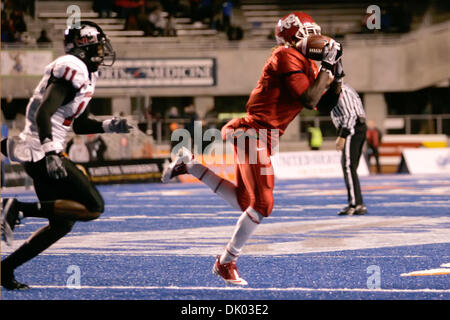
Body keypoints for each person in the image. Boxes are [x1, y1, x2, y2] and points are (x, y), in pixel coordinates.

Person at [161, 12, 342, 285]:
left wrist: (337, 75)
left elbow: (324, 105)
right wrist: (328, 68)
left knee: (247, 202)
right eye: (309, 31)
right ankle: (226, 261)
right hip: (252, 131)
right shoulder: (286, 55)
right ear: (294, 36)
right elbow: (308, 99)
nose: (318, 38)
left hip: (264, 135)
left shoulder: (309, 65)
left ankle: (191, 165)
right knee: (264, 204)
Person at [0, 21, 131, 290]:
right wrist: (51, 153)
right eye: (98, 45)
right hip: (43, 151)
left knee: (61, 225)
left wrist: (108, 125)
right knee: (94, 207)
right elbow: (43, 112)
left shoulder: (85, 73)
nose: (103, 51)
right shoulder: (73, 67)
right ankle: (16, 208)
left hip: (41, 150)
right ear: (85, 45)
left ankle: (4, 269)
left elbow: (79, 123)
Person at [317, 61, 368, 216]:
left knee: (347, 166)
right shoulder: (342, 89)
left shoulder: (340, 90)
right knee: (350, 167)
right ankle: (356, 202)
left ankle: (356, 203)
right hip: (356, 128)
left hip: (352, 128)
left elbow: (350, 114)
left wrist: (342, 136)